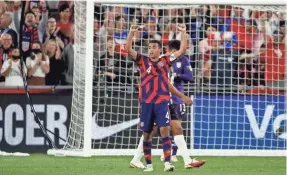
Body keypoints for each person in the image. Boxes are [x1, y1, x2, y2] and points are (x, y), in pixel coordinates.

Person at [130, 40, 206, 170]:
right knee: (152, 131)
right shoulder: (161, 62)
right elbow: (167, 84)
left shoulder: (167, 62)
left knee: (176, 128)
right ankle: (138, 159)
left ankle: (186, 160)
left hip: (167, 100)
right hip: (158, 101)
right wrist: (182, 96)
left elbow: (170, 82)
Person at [125, 23, 189, 172]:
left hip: (162, 102)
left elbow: (182, 50)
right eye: (149, 48)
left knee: (165, 130)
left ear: (159, 50)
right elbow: (128, 49)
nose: (151, 50)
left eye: (154, 48)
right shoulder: (142, 60)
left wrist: (183, 33)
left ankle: (167, 163)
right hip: (147, 103)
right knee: (147, 134)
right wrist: (131, 33)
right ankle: (148, 165)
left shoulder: (166, 60)